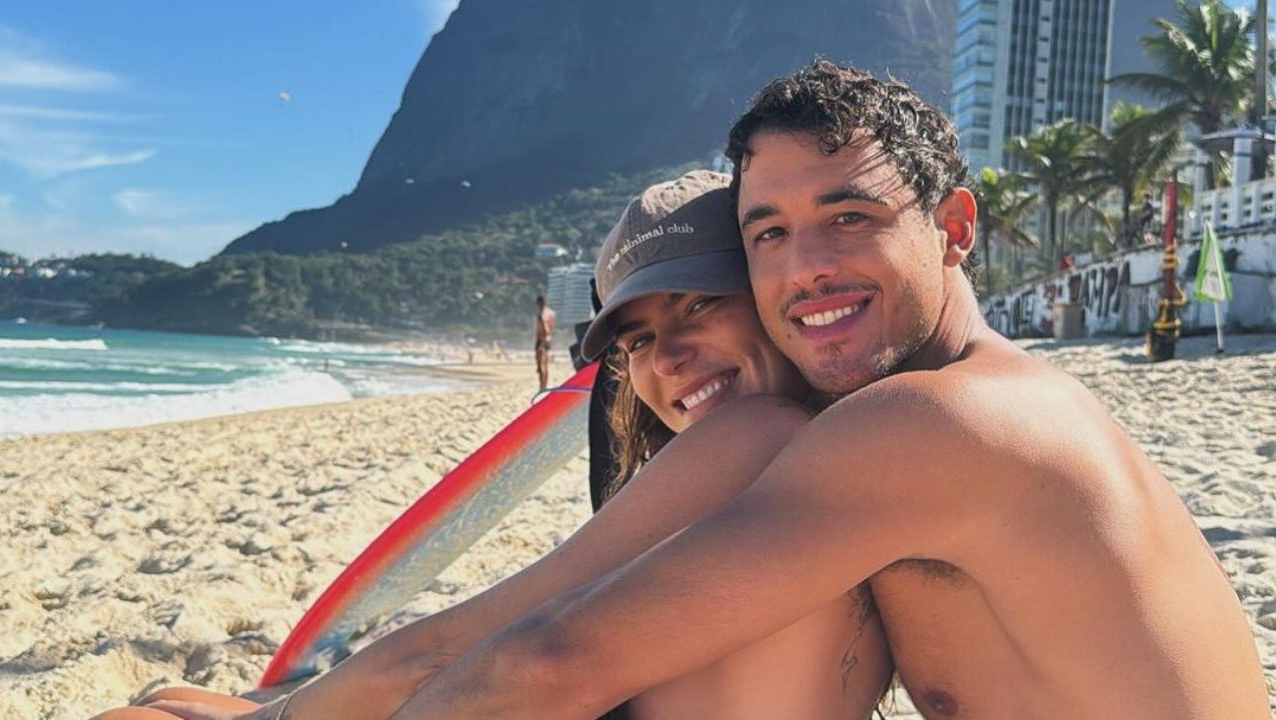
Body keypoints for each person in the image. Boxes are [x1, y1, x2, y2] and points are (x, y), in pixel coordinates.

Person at [380, 60, 1270, 719]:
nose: (806, 269)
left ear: (954, 227)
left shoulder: (934, 421)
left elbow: (547, 661)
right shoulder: (989, 403)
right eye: (768, 234)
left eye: (850, 217)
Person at [94, 172, 892, 720]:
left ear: (770, 292)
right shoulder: (864, 464)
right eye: (640, 339)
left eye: (700, 304)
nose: (669, 357)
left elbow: (462, 649)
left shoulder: (758, 437)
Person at [535, 295, 557, 390]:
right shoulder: (544, 313)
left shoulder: (544, 314)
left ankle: (543, 386)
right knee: (540, 366)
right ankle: (542, 385)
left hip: (543, 340)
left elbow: (547, 329)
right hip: (541, 340)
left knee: (543, 365)